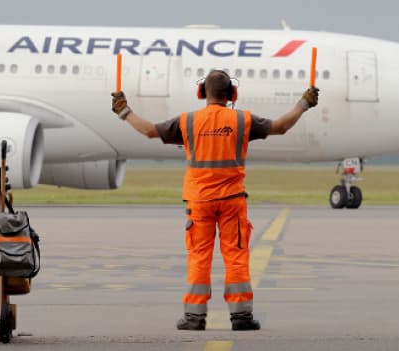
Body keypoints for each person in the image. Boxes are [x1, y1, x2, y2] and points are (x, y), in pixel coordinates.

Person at [111, 70, 319, 331]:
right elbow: (280, 127)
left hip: (199, 202)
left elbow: (150, 131)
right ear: (232, 94)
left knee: (199, 256)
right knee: (236, 256)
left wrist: (124, 111)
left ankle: (194, 318)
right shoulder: (242, 120)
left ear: (201, 94)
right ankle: (241, 316)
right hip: (232, 201)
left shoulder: (188, 122)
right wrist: (304, 104)